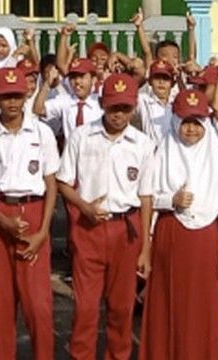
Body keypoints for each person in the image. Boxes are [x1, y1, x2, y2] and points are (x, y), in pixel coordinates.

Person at [56, 72, 154, 360]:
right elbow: (63, 181)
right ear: (102, 103)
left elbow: (146, 196)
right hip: (89, 229)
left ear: (134, 107)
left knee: (121, 308)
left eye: (125, 108)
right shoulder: (82, 136)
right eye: (113, 108)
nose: (119, 115)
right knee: (85, 308)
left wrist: (146, 248)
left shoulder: (142, 144)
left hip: (126, 228)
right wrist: (83, 206)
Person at [0, 66, 60, 360]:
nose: (12, 102)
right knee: (2, 303)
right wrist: (3, 221)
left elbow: (51, 184)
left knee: (38, 305)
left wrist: (44, 231)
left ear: (26, 96)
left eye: (17, 96)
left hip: (34, 214)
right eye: (6, 96)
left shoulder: (42, 132)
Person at [140, 88, 218, 360]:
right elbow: (148, 196)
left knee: (205, 306)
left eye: (197, 123)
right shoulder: (162, 153)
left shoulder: (216, 158)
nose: (191, 130)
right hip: (171, 236)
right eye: (185, 123)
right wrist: (172, 199)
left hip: (208, 240)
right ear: (175, 122)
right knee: (170, 303)